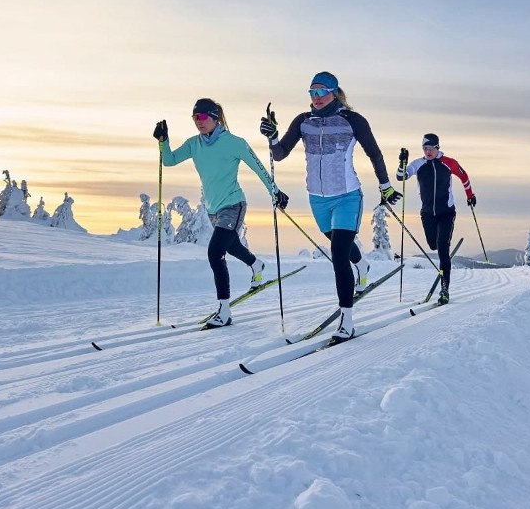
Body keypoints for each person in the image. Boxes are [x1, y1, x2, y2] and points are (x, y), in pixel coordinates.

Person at [260, 71, 401, 341]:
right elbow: (279, 155)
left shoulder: (353, 120)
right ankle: (363, 267)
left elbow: (374, 153)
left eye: (321, 91)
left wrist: (385, 186)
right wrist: (274, 137)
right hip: (317, 199)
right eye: (312, 92)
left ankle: (346, 321)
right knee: (341, 246)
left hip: (348, 196)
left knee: (338, 253)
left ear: (335, 92)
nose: (316, 97)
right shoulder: (303, 122)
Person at [153, 98, 288, 328]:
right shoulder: (194, 144)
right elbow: (169, 160)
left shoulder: (234, 143)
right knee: (232, 246)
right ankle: (256, 265)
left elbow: (258, 167)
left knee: (215, 252)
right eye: (195, 117)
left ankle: (224, 311)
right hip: (212, 209)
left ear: (215, 117)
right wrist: (163, 141)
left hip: (233, 205)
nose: (198, 122)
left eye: (203, 117)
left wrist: (275, 191)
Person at [396, 133, 475, 304]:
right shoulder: (419, 164)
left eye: (431, 148)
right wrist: (402, 163)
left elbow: (464, 176)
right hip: (427, 213)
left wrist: (470, 195)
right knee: (433, 244)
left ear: (437, 147)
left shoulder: (448, 163)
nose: (428, 151)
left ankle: (444, 289)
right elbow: (401, 176)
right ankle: (442, 248)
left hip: (446, 212)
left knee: (441, 247)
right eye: (425, 148)